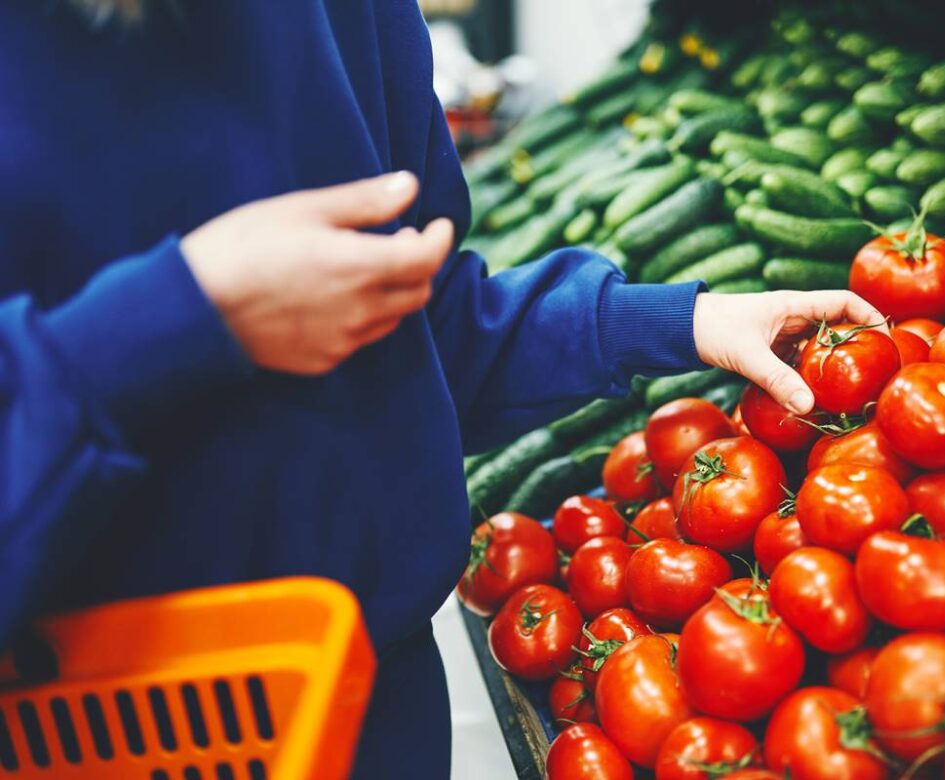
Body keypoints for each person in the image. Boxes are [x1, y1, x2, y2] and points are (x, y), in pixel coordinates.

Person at [0, 0, 884, 776]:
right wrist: (179, 320)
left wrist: (674, 324)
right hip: (96, 723)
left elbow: (414, 333)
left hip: (374, 705)